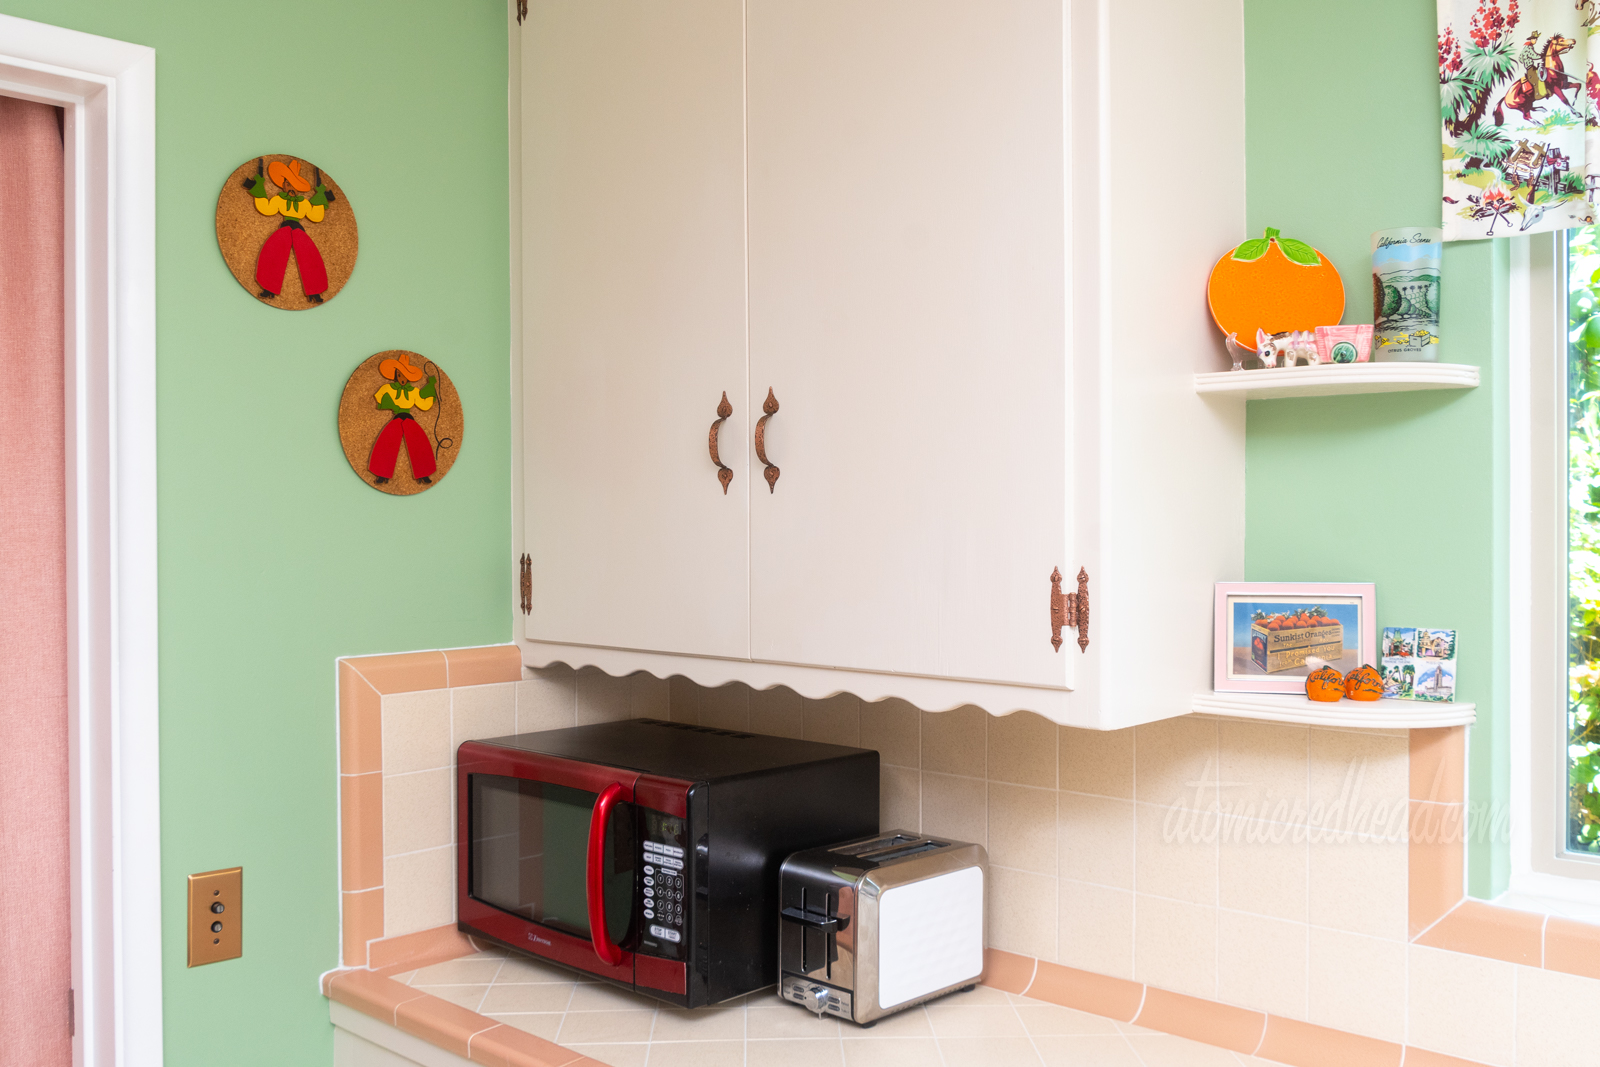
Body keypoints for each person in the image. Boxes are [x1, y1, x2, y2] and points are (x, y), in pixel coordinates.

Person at [248, 158, 332, 302]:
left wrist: (320, 197)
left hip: (299, 229)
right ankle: (268, 289)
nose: (291, 187)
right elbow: (266, 208)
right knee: (274, 253)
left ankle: (315, 292)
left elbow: (315, 215)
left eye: (294, 184)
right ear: (284, 186)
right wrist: (259, 189)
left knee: (309, 257)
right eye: (288, 183)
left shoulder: (304, 203)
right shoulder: (279, 200)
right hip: (284, 228)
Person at [367, 352, 438, 484]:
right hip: (396, 418)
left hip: (409, 419)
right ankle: (382, 475)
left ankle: (424, 474)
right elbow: (380, 397)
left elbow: (423, 403)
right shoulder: (389, 388)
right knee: (387, 444)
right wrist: (390, 404)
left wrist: (430, 388)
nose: (402, 378)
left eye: (405, 376)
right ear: (395, 376)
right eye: (399, 375)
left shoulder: (414, 391)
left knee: (419, 444)